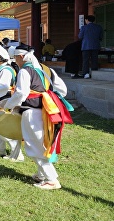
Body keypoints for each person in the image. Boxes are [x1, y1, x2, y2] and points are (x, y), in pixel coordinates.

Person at [4, 45, 69, 190]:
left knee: (35, 145)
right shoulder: (46, 71)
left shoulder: (25, 71)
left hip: (31, 112)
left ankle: (51, 179)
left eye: (15, 57)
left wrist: (8, 105)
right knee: (39, 143)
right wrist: (46, 97)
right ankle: (42, 174)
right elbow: (63, 90)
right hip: (46, 111)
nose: (15, 61)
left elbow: (21, 93)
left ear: (21, 57)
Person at [78, 14, 103, 79]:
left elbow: (80, 37)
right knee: (94, 59)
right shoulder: (98, 27)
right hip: (95, 46)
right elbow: (101, 37)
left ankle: (86, 73)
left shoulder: (84, 27)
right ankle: (94, 72)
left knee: (86, 60)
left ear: (87, 20)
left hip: (86, 46)